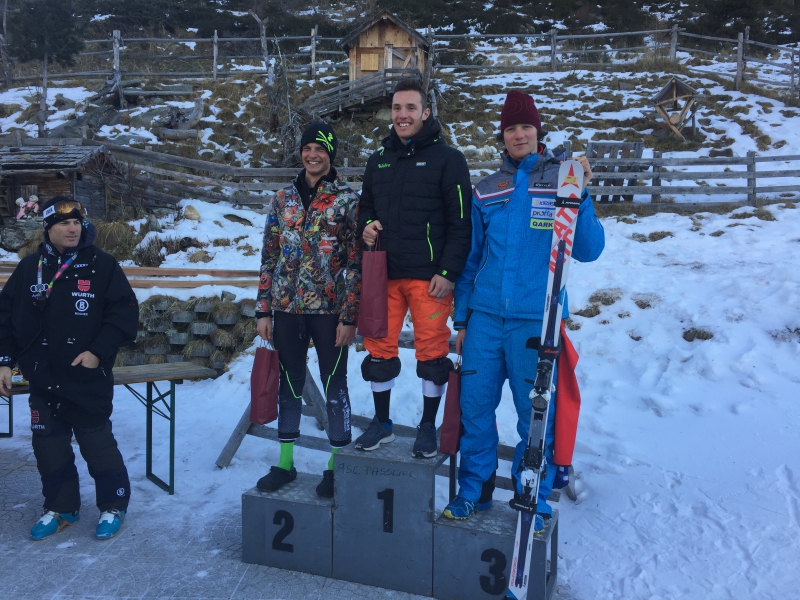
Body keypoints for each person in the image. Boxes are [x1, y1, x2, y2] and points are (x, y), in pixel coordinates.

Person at [443, 90, 605, 531]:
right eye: (511, 128)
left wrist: (581, 195)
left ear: (538, 131)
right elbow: (471, 260)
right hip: (484, 318)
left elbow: (589, 249)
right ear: (503, 135)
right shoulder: (487, 189)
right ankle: (473, 489)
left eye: (526, 127)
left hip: (537, 319)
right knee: (475, 408)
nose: (518, 135)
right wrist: (462, 318)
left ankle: (532, 494)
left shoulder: (562, 179)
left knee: (534, 415)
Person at [0, 196, 139, 541]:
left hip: (86, 377)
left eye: (77, 222)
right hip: (43, 378)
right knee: (49, 447)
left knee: (97, 445)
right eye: (64, 223)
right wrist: (4, 360)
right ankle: (62, 508)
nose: (72, 228)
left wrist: (97, 352)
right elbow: (5, 319)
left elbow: (123, 315)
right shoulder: (29, 267)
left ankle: (113, 505)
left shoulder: (102, 265)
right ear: (48, 228)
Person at [357, 78, 472, 458]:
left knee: (432, 353)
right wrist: (366, 225)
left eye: (410, 108)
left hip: (430, 278)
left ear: (425, 112)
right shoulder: (378, 159)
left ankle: (427, 426)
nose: (402, 115)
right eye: (396, 108)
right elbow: (366, 206)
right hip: (384, 274)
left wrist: (448, 272)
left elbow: (461, 223)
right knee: (378, 349)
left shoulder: (449, 160)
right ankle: (382, 423)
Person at [254, 122, 361, 497]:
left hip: (330, 310)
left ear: (330, 154)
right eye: (307, 148)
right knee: (289, 383)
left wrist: (349, 316)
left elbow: (355, 263)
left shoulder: (347, 200)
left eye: (320, 149)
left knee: (335, 386)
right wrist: (263, 309)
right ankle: (285, 463)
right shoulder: (282, 200)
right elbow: (269, 256)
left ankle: (335, 465)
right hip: (286, 307)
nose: (312, 155)